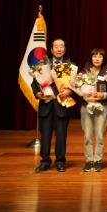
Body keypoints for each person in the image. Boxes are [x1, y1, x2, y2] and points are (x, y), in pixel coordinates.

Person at [32, 38, 74, 173]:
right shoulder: (43, 64)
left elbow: (75, 84)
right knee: (45, 135)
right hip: (46, 104)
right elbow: (35, 83)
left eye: (61, 46)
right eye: (56, 46)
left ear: (65, 49)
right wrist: (38, 93)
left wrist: (69, 91)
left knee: (61, 135)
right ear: (51, 49)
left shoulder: (69, 65)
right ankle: (45, 161)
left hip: (61, 105)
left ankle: (60, 161)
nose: (59, 49)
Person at [80, 48, 107, 173]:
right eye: (95, 56)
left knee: (99, 136)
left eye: (100, 56)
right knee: (87, 135)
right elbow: (78, 87)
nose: (97, 59)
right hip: (86, 105)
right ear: (90, 58)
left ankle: (97, 161)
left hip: (101, 106)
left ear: (103, 59)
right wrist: (85, 96)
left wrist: (102, 95)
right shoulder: (83, 73)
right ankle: (88, 161)